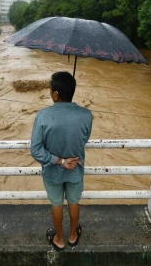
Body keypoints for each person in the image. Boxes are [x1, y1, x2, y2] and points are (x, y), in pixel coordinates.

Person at [31, 71, 92, 251]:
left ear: (56, 94)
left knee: (57, 204)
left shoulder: (43, 115)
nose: (50, 93)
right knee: (74, 202)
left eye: (50, 90)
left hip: (52, 170)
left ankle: (59, 239)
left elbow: (35, 150)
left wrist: (59, 160)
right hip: (76, 169)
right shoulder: (86, 114)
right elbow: (84, 138)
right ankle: (73, 236)